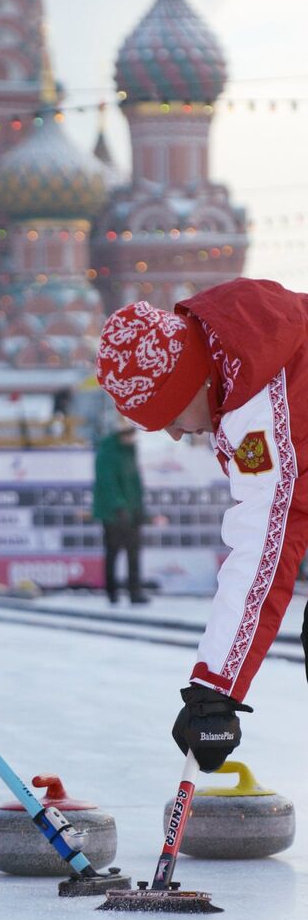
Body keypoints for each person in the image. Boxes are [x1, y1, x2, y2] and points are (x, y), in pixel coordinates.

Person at [95, 278, 308, 775]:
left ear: (193, 381)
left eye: (168, 416)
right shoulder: (235, 353)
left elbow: (264, 550)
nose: (173, 434)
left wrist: (216, 689)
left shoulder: (259, 406)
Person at [91, 423, 150, 604]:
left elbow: (135, 482)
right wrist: (118, 506)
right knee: (113, 552)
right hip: (113, 513)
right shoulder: (107, 452)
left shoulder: (129, 450)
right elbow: (107, 483)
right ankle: (112, 591)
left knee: (134, 553)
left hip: (131, 511)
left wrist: (139, 509)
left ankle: (134, 591)